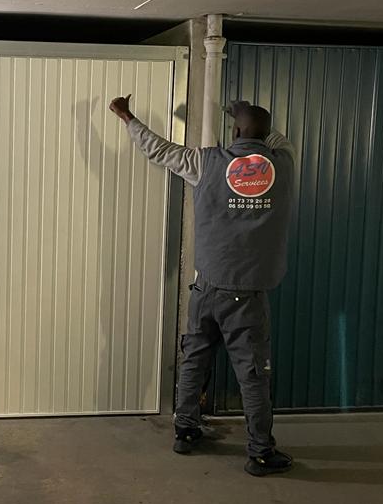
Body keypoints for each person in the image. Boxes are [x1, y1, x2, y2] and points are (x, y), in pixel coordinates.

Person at [108, 95, 295, 477]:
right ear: (264, 134)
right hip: (247, 296)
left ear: (235, 131)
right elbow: (276, 138)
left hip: (206, 288)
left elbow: (158, 150)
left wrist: (128, 117)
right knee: (253, 375)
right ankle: (260, 452)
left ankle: (185, 431)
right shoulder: (284, 164)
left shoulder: (205, 162)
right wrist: (244, 118)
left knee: (194, 360)